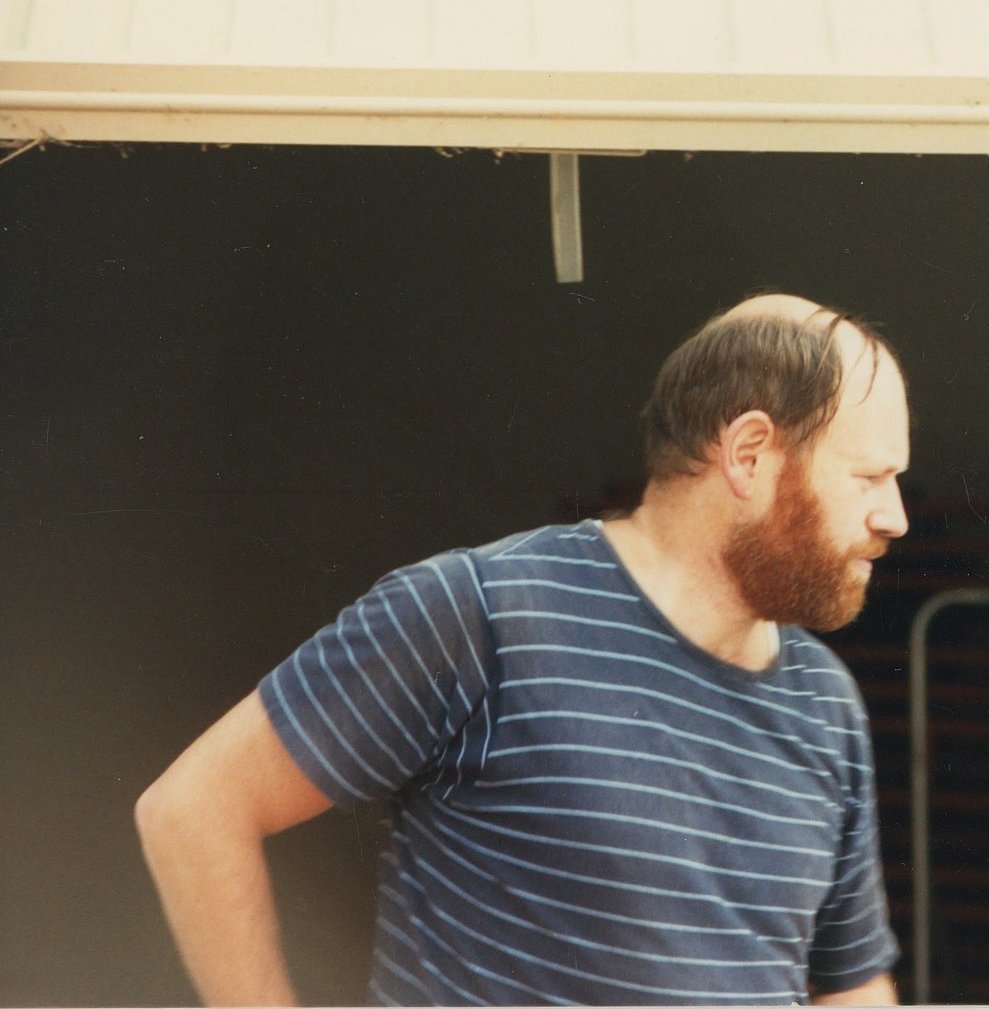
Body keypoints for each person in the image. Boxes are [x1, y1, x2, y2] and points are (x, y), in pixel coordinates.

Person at [135, 292, 910, 1007]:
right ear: (748, 454)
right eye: (870, 476)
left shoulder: (825, 703)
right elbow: (194, 811)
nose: (896, 516)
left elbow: (851, 987)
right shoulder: (482, 614)